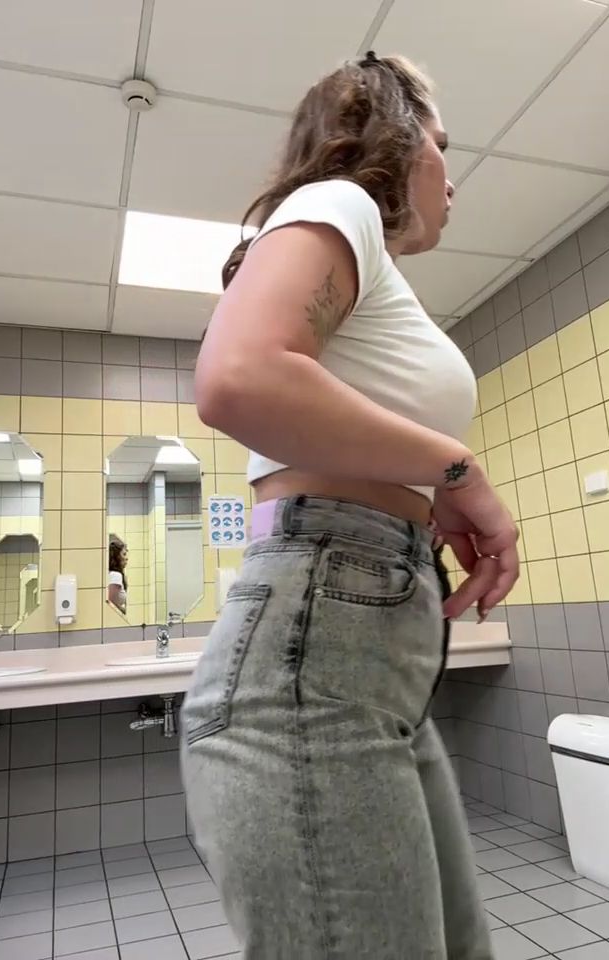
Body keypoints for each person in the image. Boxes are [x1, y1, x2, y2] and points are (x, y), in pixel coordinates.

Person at [181, 52, 519, 959]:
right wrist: (458, 473)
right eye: (442, 145)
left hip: (367, 652)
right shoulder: (342, 203)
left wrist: (429, 491)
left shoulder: (376, 273)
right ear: (398, 141)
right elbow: (241, 376)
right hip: (319, 648)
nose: (455, 176)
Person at [107, 538, 128, 614]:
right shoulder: (116, 575)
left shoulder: (110, 574)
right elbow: (112, 604)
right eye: (124, 554)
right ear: (117, 557)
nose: (126, 558)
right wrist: (126, 612)